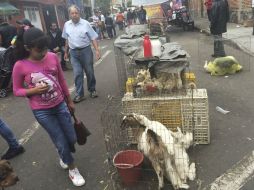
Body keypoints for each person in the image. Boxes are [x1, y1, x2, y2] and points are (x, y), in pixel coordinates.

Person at [12, 27, 85, 187]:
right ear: (27, 48)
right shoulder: (20, 65)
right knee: (61, 140)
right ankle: (73, 169)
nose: (44, 52)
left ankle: (63, 154)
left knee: (71, 138)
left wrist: (70, 101)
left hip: (60, 105)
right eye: (39, 50)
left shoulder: (52, 57)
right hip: (42, 111)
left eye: (46, 48)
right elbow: (16, 90)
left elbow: (62, 80)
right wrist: (32, 90)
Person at [62, 5, 101, 103]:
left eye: (76, 13)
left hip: (86, 51)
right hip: (73, 53)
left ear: (79, 14)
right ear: (69, 14)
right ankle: (79, 94)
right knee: (77, 73)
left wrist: (97, 50)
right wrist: (66, 52)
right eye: (72, 13)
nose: (74, 15)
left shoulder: (85, 24)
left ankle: (92, 90)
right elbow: (67, 39)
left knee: (89, 72)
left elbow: (93, 38)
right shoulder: (66, 25)